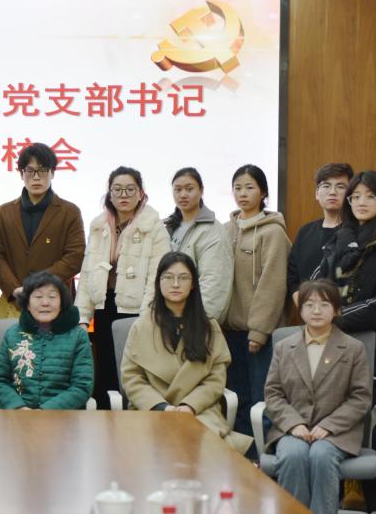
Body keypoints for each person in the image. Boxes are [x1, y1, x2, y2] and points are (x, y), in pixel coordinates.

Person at [316, 170, 376, 511]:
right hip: (337, 353)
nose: (360, 202)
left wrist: (337, 316)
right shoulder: (337, 243)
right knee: (332, 437)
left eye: (369, 196)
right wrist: (323, 311)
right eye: (355, 196)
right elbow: (317, 289)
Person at [121, 252, 252, 454]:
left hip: (199, 409)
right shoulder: (141, 326)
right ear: (158, 282)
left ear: (193, 284)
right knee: (156, 443)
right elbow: (132, 377)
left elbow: (216, 378)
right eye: (168, 277)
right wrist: (162, 407)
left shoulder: (209, 326)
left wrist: (189, 406)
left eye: (183, 278)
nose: (175, 284)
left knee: (199, 439)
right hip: (151, 409)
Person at [264, 280, 372, 514]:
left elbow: (360, 397)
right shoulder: (284, 347)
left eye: (324, 304)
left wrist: (329, 425)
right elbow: (273, 394)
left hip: (337, 433)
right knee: (293, 455)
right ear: (300, 309)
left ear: (337, 310)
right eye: (309, 304)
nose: (316, 311)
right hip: (291, 430)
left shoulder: (353, 348)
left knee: (322, 455)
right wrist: (294, 424)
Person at [75, 166, 170, 409]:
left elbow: (157, 277)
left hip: (136, 312)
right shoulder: (99, 226)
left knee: (133, 373)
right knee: (106, 370)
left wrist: (147, 316)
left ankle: (134, 422)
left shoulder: (153, 226)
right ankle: (106, 421)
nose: (123, 195)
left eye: (130, 189)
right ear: (110, 194)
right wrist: (82, 317)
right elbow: (88, 273)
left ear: (140, 193)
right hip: (104, 306)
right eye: (117, 189)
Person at [223, 164, 290, 436]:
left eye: (249, 187)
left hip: (259, 335)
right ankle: (240, 452)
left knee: (261, 400)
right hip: (228, 331)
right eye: (237, 188)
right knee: (235, 398)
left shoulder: (273, 232)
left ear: (263, 192)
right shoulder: (226, 230)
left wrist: (260, 330)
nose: (243, 193)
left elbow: (273, 285)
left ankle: (263, 453)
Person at [0, 143, 85, 319]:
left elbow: (76, 256)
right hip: (16, 302)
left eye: (42, 170)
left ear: (52, 173)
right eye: (30, 171)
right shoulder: (4, 212)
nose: (36, 177)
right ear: (21, 174)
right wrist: (15, 289)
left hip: (56, 301)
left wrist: (37, 285)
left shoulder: (69, 211)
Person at [0, 271, 93, 410]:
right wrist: (19, 408)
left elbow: (82, 386)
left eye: (52, 297)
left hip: (62, 416)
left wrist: (45, 411)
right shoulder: (12, 334)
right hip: (17, 415)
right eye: (38, 296)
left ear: (62, 303)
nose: (45, 303)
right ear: (27, 304)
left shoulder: (78, 336)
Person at [162, 167, 232, 321]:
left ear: (201, 191)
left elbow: (214, 283)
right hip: (166, 317)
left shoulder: (212, 230)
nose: (183, 195)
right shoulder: (166, 227)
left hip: (193, 320)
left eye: (189, 189)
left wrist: (199, 321)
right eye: (177, 189)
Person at [287, 162, 352, 305]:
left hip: (345, 313)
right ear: (317, 193)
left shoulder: (356, 233)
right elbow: (292, 275)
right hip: (308, 311)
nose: (333, 192)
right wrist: (302, 302)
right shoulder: (305, 231)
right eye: (326, 186)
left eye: (341, 186)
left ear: (350, 194)